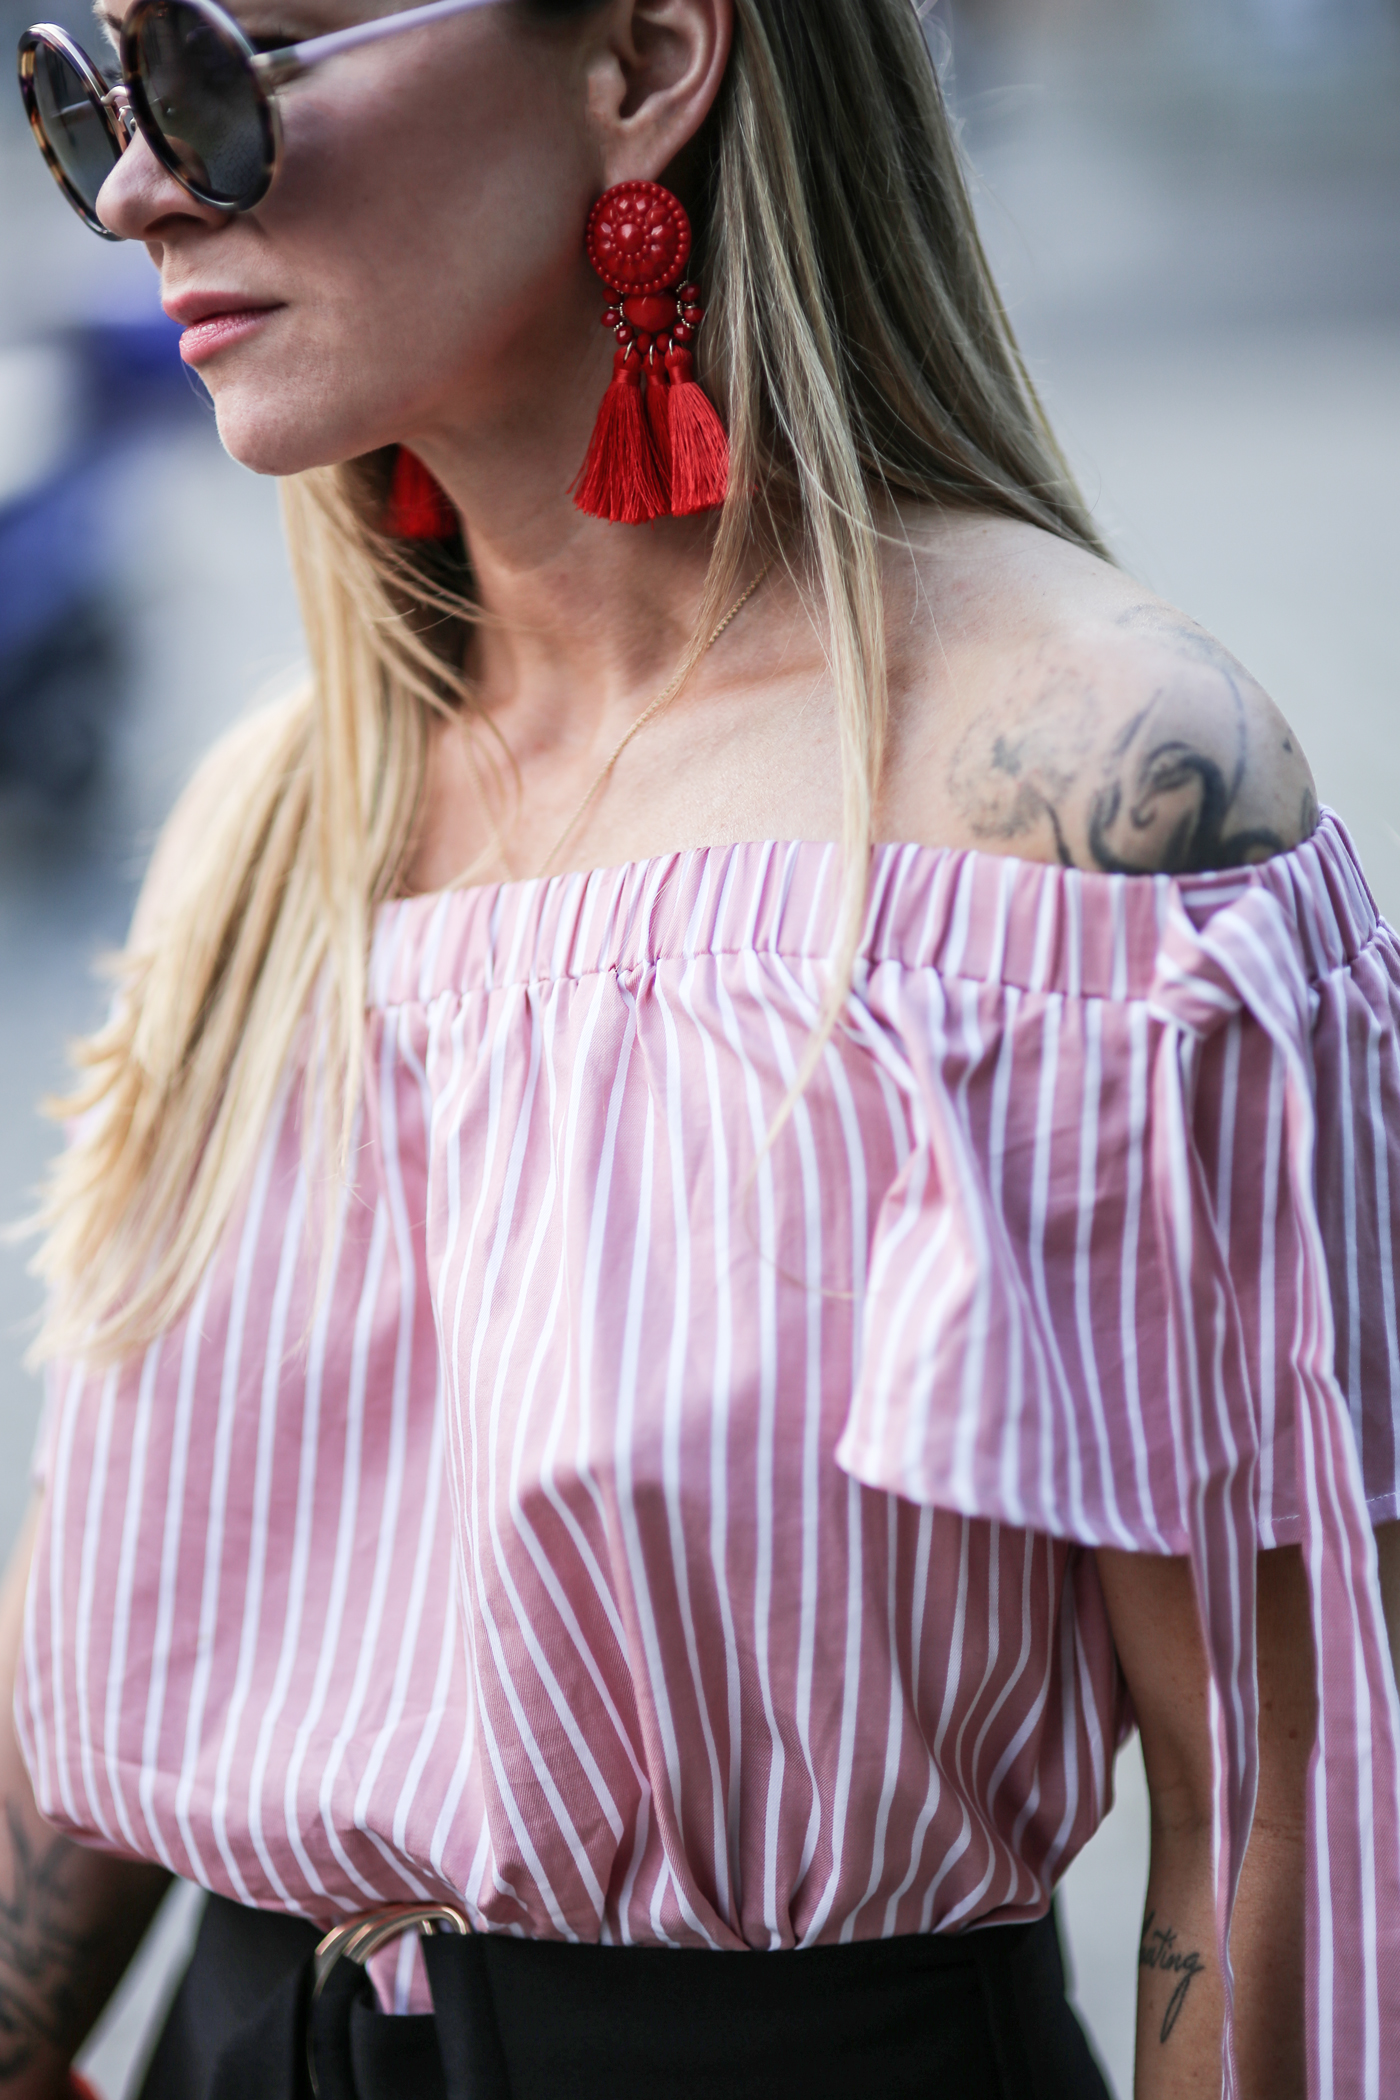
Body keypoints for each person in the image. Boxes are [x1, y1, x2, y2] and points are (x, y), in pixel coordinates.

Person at [5, 0, 1399, 2095]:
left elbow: (1278, 1788)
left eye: (226, 70)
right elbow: (109, 1621)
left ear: (645, 61)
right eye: (82, 96)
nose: (133, 190)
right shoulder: (275, 820)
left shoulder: (1095, 815)